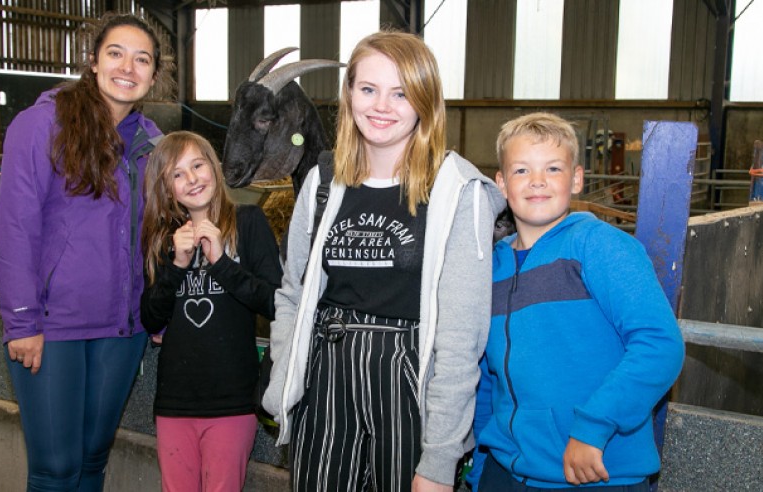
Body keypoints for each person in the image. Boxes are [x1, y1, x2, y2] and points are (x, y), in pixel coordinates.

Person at [261, 31, 505, 492]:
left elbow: (460, 337)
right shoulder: (321, 183)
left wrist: (439, 457)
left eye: (401, 93)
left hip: (408, 383)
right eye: (368, 89)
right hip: (325, 376)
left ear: (424, 103)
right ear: (349, 92)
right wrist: (284, 374)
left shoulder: (457, 193)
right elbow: (292, 292)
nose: (381, 106)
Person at [0, 12, 173, 491]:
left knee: (92, 462)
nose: (128, 68)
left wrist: (157, 310)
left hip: (122, 327)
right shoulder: (40, 125)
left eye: (142, 60)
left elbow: (159, 232)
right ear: (93, 61)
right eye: (116, 54)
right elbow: (15, 228)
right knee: (55, 468)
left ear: (154, 75)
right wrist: (22, 321)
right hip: (53, 328)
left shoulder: (152, 142)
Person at [467, 112, 685, 491]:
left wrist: (593, 427)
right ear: (501, 183)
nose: (537, 181)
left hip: (591, 472)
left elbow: (659, 344)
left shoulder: (598, 246)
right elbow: (489, 374)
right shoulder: (492, 267)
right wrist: (481, 459)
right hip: (505, 470)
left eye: (553, 168)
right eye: (521, 171)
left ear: (577, 178)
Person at [139, 131, 282, 491]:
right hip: (175, 402)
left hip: (232, 401)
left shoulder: (247, 222)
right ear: (166, 188)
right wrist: (176, 265)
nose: (191, 179)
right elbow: (150, 318)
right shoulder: (165, 238)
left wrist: (221, 263)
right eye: (177, 174)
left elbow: (275, 301)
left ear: (214, 166)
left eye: (197, 165)